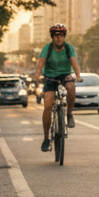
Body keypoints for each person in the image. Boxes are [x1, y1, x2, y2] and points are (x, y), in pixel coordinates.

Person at [34, 23, 82, 152]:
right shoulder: (48, 48)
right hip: (50, 77)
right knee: (48, 105)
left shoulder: (69, 48)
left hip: (65, 75)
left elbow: (74, 61)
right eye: (56, 35)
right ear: (52, 37)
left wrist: (77, 75)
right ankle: (46, 139)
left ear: (64, 36)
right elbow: (41, 62)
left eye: (61, 35)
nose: (59, 38)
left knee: (71, 87)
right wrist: (37, 75)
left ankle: (69, 113)